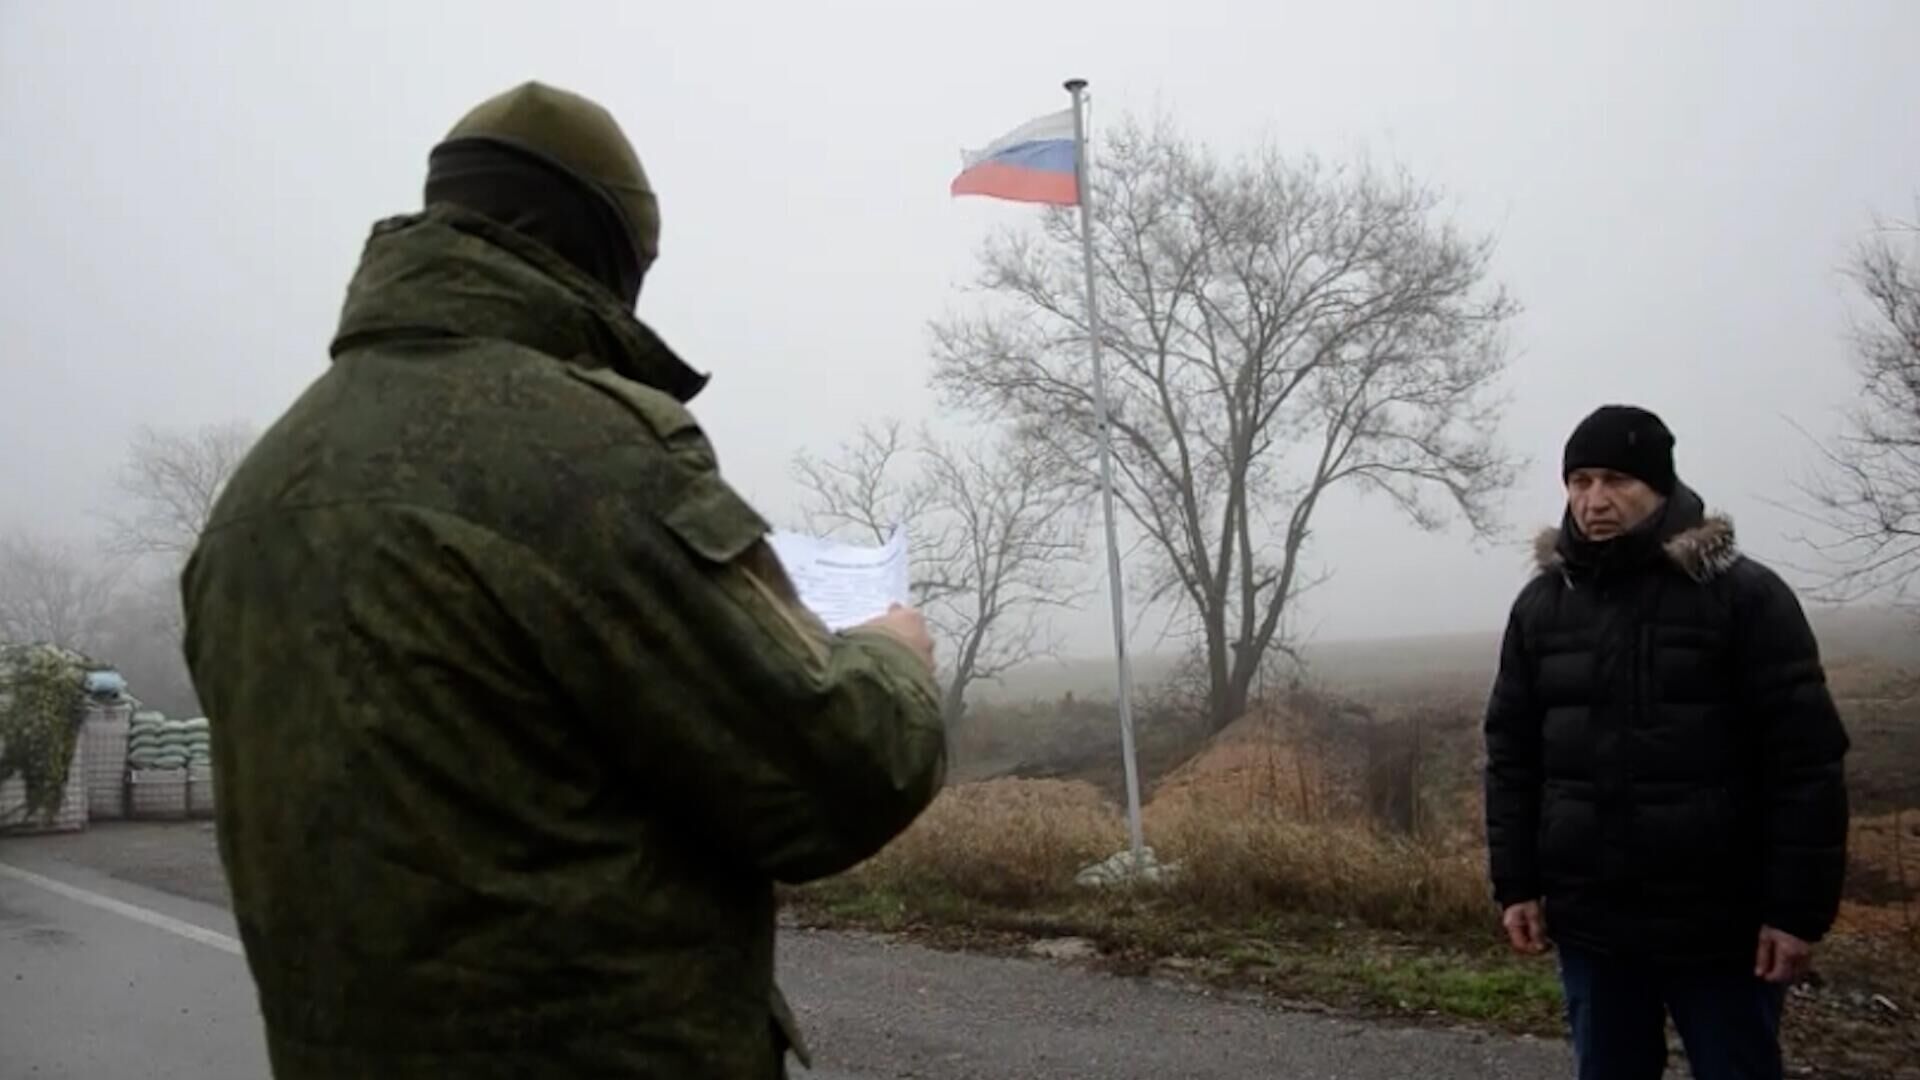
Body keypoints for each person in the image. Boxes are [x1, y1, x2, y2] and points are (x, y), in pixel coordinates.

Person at [179, 81, 947, 1078]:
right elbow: (828, 771)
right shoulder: (595, 453)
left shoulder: (259, 495)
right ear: (603, 255)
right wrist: (892, 660)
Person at [1483, 405, 1851, 1080]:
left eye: (1616, 480)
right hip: (1594, 925)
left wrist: (1795, 913)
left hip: (1721, 927)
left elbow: (1806, 765)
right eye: (1580, 481)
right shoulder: (1541, 610)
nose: (1595, 500)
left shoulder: (1745, 599)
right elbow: (1512, 757)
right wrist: (1518, 885)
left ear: (1659, 487)